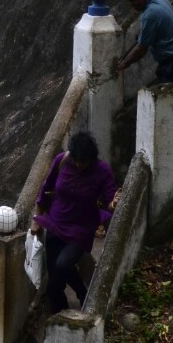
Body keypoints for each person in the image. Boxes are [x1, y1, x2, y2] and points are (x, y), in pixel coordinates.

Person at [33, 131, 117, 314]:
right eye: (76, 160)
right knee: (54, 278)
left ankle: (81, 292)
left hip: (81, 227)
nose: (78, 165)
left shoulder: (102, 171)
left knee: (63, 265)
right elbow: (46, 187)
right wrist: (37, 217)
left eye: (83, 162)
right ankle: (60, 310)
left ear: (91, 158)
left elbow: (110, 201)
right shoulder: (62, 160)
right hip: (56, 222)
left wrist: (114, 203)